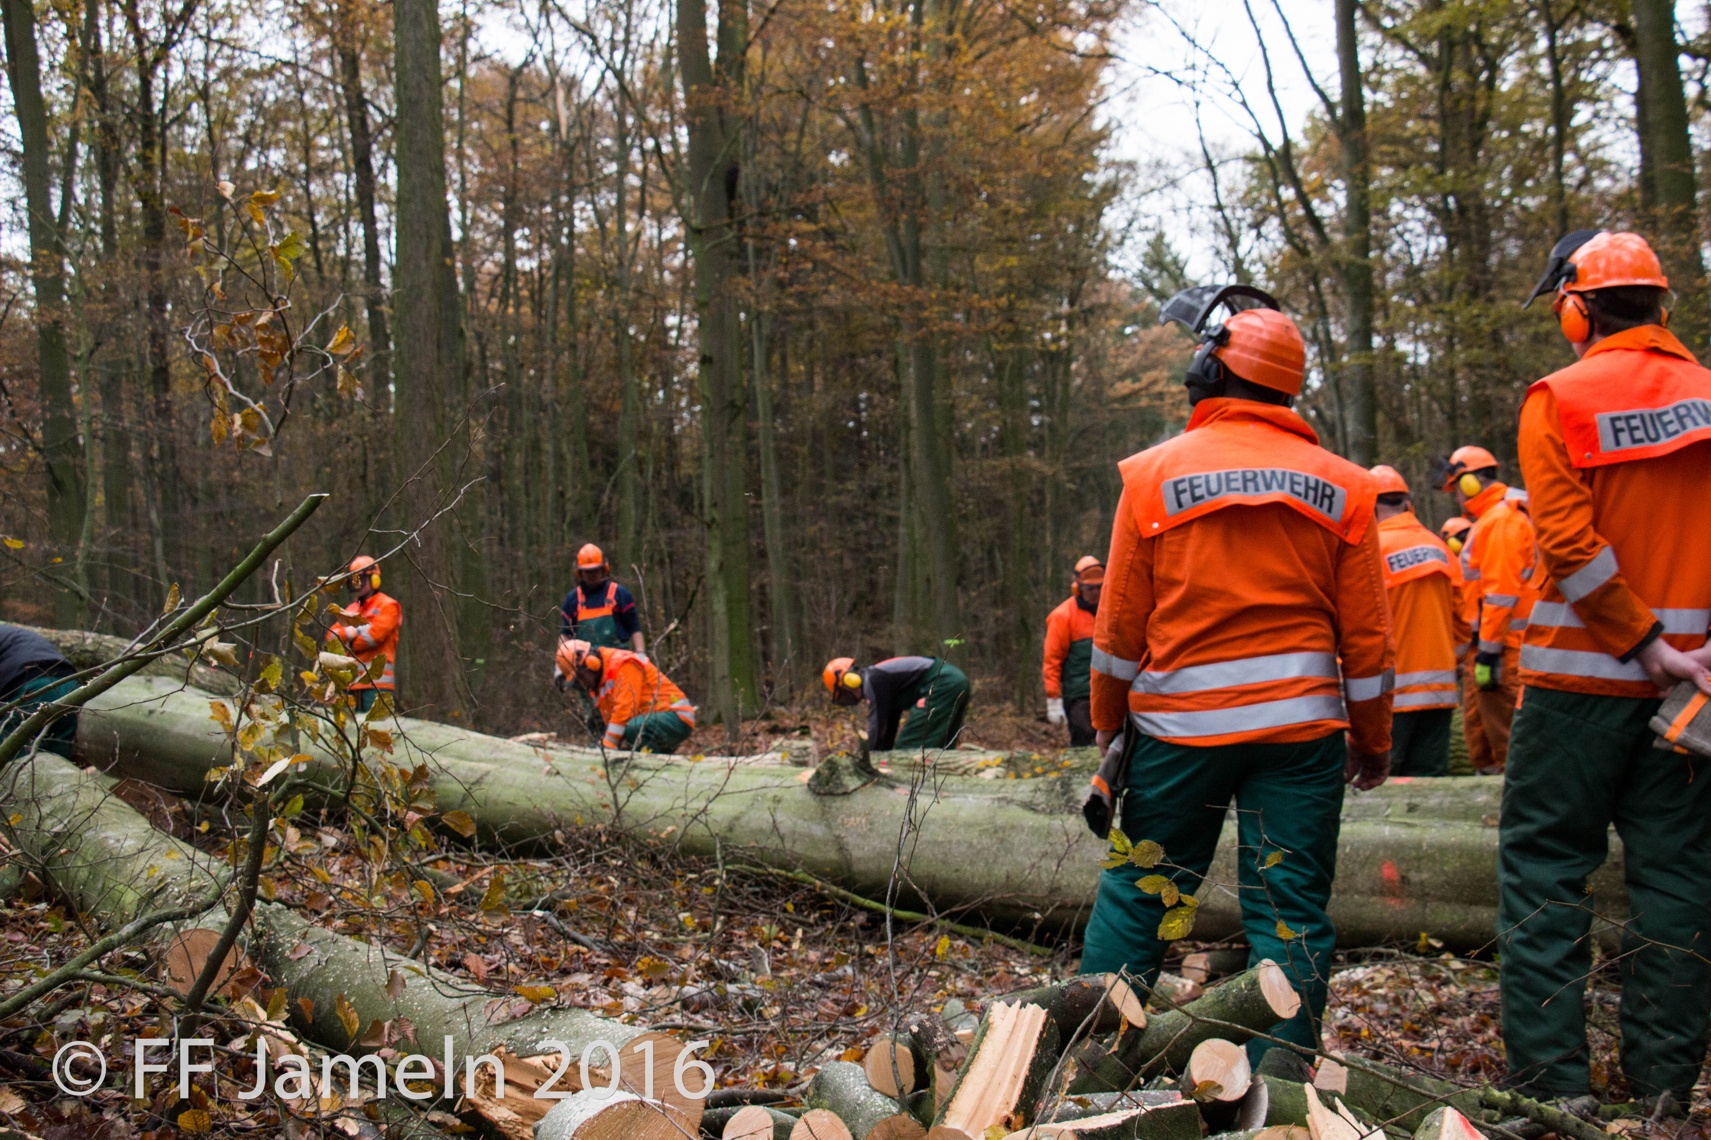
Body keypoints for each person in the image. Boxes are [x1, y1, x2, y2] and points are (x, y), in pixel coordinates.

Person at [1080, 285, 1393, 1057]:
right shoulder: (1347, 487)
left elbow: (1118, 628)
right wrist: (1375, 739)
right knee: (1287, 910)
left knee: (1144, 892)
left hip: (1179, 736)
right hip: (1299, 736)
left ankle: (1088, 1056)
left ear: (1211, 374)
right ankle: (1280, 1090)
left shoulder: (1151, 476)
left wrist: (1107, 723)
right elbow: (1368, 639)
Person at [1499, 230, 1711, 1108]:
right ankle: (1663, 1088)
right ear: (1661, 305)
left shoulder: (1558, 397)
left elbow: (1565, 542)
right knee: (1677, 879)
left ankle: (1555, 1087)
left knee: (1546, 868)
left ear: (1574, 309)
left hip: (1577, 685)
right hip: (1692, 692)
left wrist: (1639, 638)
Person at [1440, 445, 1535, 773]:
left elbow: (1500, 595)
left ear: (1469, 483)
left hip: (1505, 648)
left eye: (1457, 490)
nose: (1456, 499)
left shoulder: (1500, 520)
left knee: (1510, 745)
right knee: (1485, 741)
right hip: (1493, 645)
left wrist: (1489, 654)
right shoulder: (1491, 520)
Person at [1371, 466, 1459, 776]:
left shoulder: (1371, 551)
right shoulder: (1439, 546)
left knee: (1382, 782)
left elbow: (1359, 622)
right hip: (1441, 691)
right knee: (1431, 786)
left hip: (1391, 693)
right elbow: (1461, 619)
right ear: (1408, 504)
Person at [555, 639, 696, 753]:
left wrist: (609, 745)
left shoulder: (624, 663)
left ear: (592, 663)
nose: (582, 684)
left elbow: (625, 709)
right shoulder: (599, 686)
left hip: (675, 716)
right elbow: (611, 722)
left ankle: (648, 772)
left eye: (581, 678)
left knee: (635, 729)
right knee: (633, 733)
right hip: (650, 721)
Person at [822, 656, 970, 754]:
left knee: (909, 747)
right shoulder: (879, 682)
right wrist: (882, 754)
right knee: (942, 747)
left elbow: (877, 726)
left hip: (942, 682)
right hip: (954, 680)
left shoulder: (873, 681)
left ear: (849, 680)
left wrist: (867, 757)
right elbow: (888, 727)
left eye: (843, 692)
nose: (846, 697)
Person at [1440, 516, 1493, 772]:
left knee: (1489, 721)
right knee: (1473, 722)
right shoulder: (1454, 567)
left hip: (1486, 650)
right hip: (1474, 651)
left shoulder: (1479, 561)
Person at [325, 555, 399, 713]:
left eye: (361, 579)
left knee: (378, 731)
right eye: (353, 580)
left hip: (377, 686)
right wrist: (356, 631)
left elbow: (373, 637)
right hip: (349, 685)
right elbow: (331, 637)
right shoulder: (351, 610)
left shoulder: (388, 605)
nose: (356, 584)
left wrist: (348, 641)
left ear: (374, 579)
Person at [1043, 556, 1104, 747]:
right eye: (1089, 588)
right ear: (1079, 587)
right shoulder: (1062, 616)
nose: (1095, 592)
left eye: (1098, 587)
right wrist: (1053, 698)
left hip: (1109, 693)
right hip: (1079, 696)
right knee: (1085, 740)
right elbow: (1052, 660)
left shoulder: (1113, 611)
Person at [0, 624, 78, 755]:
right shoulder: (11, 635)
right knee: (58, 764)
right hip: (70, 685)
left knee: (12, 762)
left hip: (33, 688)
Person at [560, 544, 644, 654]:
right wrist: (562, 658)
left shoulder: (620, 594)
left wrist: (640, 653)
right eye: (587, 571)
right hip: (584, 663)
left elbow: (634, 628)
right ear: (580, 573)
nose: (592, 575)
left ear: (603, 569)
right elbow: (565, 634)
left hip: (618, 661)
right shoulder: (572, 599)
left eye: (595, 570)